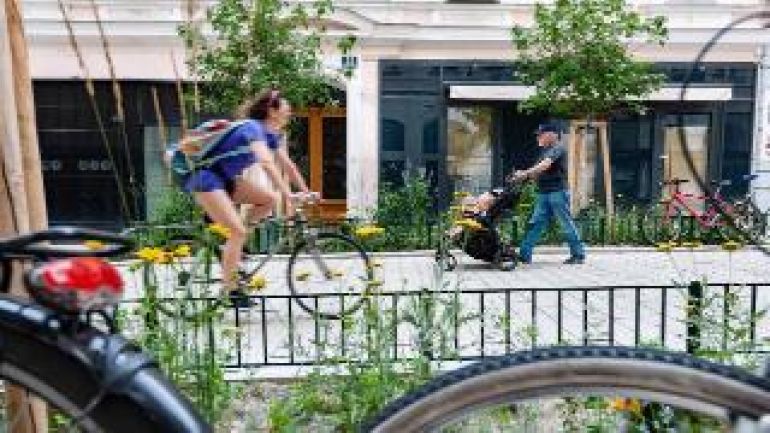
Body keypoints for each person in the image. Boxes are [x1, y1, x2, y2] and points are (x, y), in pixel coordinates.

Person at [180, 89, 311, 304]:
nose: (290, 113)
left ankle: (232, 245)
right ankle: (230, 291)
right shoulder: (252, 128)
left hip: (227, 179)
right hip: (206, 178)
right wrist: (289, 194)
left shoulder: (271, 135)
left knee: (269, 199)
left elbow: (288, 165)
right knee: (238, 232)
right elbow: (267, 163)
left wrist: (305, 192)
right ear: (272, 111)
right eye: (286, 109)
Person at [511, 123, 586, 265]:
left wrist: (525, 173)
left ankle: (578, 254)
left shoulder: (557, 148)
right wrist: (521, 176)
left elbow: (545, 165)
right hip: (543, 193)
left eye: (541, 134)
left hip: (557, 192)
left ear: (553, 135)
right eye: (538, 134)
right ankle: (524, 255)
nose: (538, 137)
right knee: (535, 223)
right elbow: (537, 171)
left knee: (566, 223)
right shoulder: (544, 151)